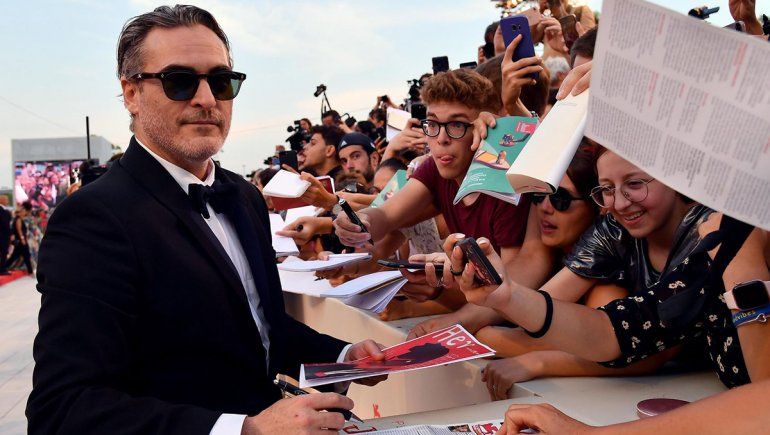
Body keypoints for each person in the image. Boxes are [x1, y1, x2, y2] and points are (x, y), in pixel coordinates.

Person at [27, 6, 386, 434]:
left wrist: (345, 356)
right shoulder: (93, 218)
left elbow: (260, 330)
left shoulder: (244, 197)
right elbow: (62, 409)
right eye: (179, 81)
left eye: (220, 81)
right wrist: (245, 430)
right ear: (131, 93)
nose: (206, 99)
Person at [334, 69, 541, 304]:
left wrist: (442, 298)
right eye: (432, 124)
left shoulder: (504, 180)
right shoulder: (434, 169)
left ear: (485, 126)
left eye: (457, 124)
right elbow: (386, 214)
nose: (441, 138)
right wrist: (359, 220)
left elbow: (512, 289)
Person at [2, 201, 33, 274]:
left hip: (20, 241)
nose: (25, 213)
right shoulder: (18, 219)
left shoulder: (19, 219)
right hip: (21, 241)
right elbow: (19, 230)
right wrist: (22, 239)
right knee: (26, 255)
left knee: (15, 256)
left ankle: (3, 266)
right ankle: (30, 271)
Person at [0, 196, 11, 275]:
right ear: (1, 200)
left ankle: (3, 268)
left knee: (4, 252)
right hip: (3, 235)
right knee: (3, 252)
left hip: (4, 235)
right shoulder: (2, 211)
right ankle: (2, 269)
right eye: (6, 199)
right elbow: (5, 224)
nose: (7, 201)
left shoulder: (5, 210)